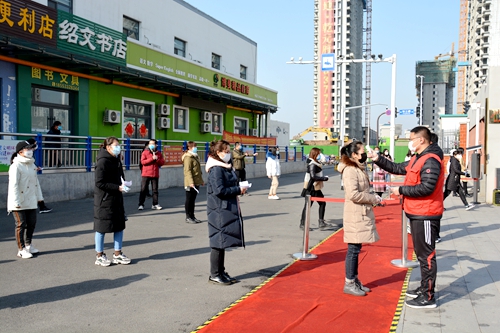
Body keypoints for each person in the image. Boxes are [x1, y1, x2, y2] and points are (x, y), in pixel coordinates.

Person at [368, 126, 444, 308]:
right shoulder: (418, 159)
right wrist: (377, 159)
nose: (409, 141)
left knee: (426, 256)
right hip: (417, 212)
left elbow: (427, 188)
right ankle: (424, 287)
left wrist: (400, 190)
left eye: (411, 138)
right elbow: (397, 168)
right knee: (421, 254)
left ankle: (428, 296)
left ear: (421, 140)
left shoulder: (431, 160)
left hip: (425, 213)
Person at [337, 141, 382, 296]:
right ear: (354, 155)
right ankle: (349, 282)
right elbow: (353, 194)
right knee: (353, 249)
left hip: (361, 212)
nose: (365, 154)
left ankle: (354, 279)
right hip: (355, 213)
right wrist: (373, 198)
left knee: (356, 249)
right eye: (362, 152)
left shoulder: (358, 168)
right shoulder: (350, 170)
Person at [205, 140, 246, 285]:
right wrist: (237, 190)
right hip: (218, 209)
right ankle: (214, 274)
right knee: (218, 242)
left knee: (222, 242)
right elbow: (219, 190)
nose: (228, 154)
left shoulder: (224, 167)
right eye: (226, 151)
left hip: (223, 208)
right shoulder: (216, 169)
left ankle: (220, 271)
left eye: (229, 151)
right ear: (218, 153)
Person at [94, 137, 131, 266]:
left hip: (117, 198)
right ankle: (99, 255)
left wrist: (123, 183)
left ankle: (118, 254)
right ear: (108, 147)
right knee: (101, 228)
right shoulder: (102, 161)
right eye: (116, 145)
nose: (118, 147)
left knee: (119, 226)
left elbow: (120, 176)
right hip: (104, 200)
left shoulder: (117, 159)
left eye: (119, 145)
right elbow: (99, 182)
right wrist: (117, 187)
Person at [8, 140, 45, 258]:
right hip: (18, 201)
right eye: (27, 149)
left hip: (31, 199)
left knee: (32, 223)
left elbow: (36, 183)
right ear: (20, 151)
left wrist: (40, 198)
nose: (30, 151)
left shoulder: (32, 164)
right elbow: (13, 185)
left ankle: (28, 245)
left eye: (31, 148)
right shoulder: (15, 166)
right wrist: (16, 201)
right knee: (21, 224)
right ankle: (21, 249)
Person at [299, 148, 333, 231]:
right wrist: (324, 178)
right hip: (311, 187)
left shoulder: (315, 163)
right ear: (315, 155)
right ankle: (303, 224)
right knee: (308, 206)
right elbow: (313, 176)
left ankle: (321, 222)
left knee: (322, 203)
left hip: (316, 187)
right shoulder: (312, 164)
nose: (320, 156)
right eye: (318, 154)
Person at [25, 138, 52, 214]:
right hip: (28, 177)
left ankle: (42, 206)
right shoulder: (26, 154)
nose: (36, 145)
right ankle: (40, 207)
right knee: (34, 191)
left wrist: (35, 168)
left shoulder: (29, 153)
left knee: (37, 191)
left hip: (32, 175)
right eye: (35, 143)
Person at [138, 139, 165, 210]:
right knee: (143, 189)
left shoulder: (158, 153)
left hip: (155, 174)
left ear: (156, 145)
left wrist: (157, 159)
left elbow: (162, 162)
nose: (151, 145)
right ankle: (141, 204)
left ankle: (155, 204)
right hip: (146, 174)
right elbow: (143, 162)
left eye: (153, 144)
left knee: (155, 190)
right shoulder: (145, 152)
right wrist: (151, 159)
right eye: (150, 144)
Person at [182, 141, 204, 223]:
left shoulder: (195, 156)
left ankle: (192, 216)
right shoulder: (188, 157)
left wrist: (201, 180)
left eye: (195, 146)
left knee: (193, 200)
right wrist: (191, 182)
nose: (195, 148)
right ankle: (188, 217)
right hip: (190, 182)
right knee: (189, 200)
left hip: (196, 181)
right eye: (193, 146)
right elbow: (187, 171)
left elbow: (198, 171)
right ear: (189, 148)